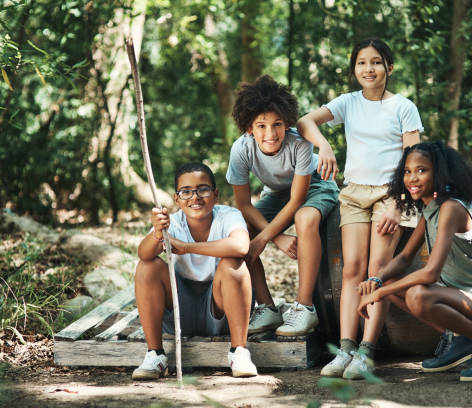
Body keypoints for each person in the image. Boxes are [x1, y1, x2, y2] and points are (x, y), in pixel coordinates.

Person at [297, 38, 423, 379]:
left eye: (377, 62)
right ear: (354, 69)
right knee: (352, 269)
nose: (369, 69)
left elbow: (414, 160)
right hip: (353, 194)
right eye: (362, 63)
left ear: (389, 67)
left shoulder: (403, 107)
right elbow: (305, 121)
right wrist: (324, 146)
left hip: (389, 195)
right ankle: (346, 349)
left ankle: (367, 352)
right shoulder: (348, 103)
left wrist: (399, 205)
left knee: (375, 271)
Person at [357, 141, 472, 382]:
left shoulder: (451, 208)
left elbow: (430, 273)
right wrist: (376, 281)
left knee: (418, 295)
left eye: (422, 170)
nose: (412, 178)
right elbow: (403, 258)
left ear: (439, 173)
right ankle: (460, 339)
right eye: (407, 171)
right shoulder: (429, 211)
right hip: (461, 301)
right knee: (390, 282)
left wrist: (378, 295)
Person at [226, 75, 339, 337]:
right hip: (277, 194)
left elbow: (298, 199)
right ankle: (267, 307)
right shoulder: (241, 150)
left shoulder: (298, 143)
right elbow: (243, 204)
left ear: (286, 122)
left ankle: (305, 308)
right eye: (261, 125)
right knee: (241, 231)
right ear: (248, 128)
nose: (270, 133)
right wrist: (275, 237)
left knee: (305, 218)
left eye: (277, 124)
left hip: (317, 185)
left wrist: (268, 237)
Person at [132, 162, 257, 380]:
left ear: (215, 194)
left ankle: (239, 352)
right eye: (186, 191)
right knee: (147, 266)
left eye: (203, 189)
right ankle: (155, 354)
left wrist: (187, 247)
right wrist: (157, 233)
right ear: (176, 198)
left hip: (220, 309)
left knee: (233, 264)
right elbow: (143, 253)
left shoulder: (228, 215)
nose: (195, 197)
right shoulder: (172, 222)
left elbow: (240, 246)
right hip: (181, 310)